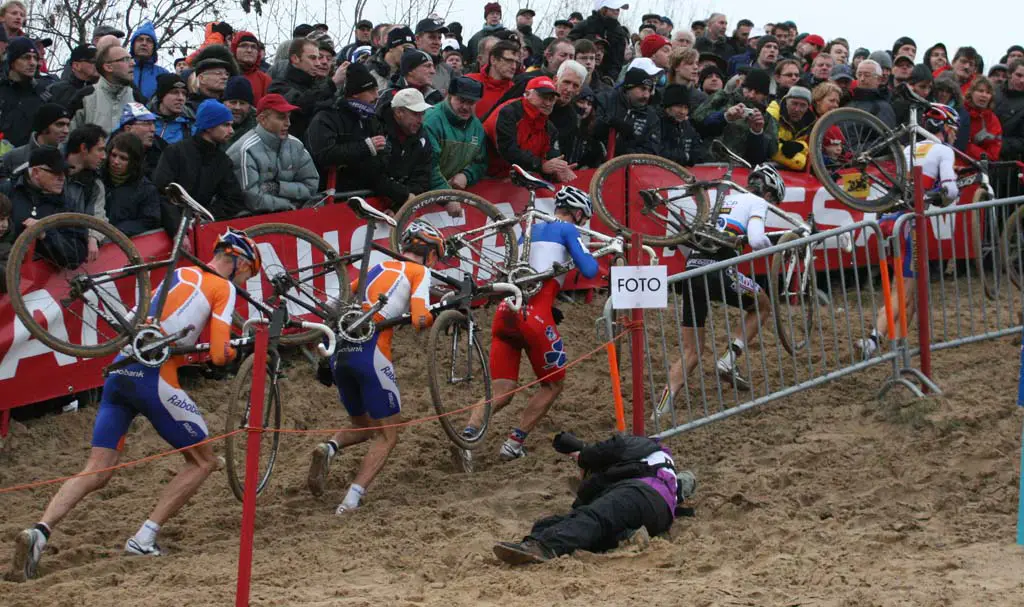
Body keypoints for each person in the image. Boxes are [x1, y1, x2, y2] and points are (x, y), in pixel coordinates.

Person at [6, 229, 260, 581]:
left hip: (121, 370)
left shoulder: (180, 272)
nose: (245, 282)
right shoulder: (223, 287)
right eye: (249, 274)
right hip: (154, 378)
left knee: (98, 469)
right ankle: (144, 538)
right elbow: (218, 355)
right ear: (240, 262)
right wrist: (235, 349)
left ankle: (40, 530)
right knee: (204, 461)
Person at [458, 188, 606, 463]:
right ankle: (513, 444)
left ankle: (467, 435)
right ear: (576, 213)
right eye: (583, 218)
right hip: (534, 317)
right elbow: (589, 270)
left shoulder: (530, 231)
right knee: (553, 385)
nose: (583, 223)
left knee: (501, 394)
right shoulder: (567, 229)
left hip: (505, 313)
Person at [306, 221, 442, 513]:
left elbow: (332, 304)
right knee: (388, 434)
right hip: (372, 352)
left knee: (364, 425)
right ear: (430, 255)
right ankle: (352, 499)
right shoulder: (420, 272)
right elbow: (420, 319)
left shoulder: (375, 269)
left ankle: (329, 447)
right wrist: (432, 313)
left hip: (341, 354)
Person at [653, 165, 782, 406]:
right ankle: (729, 359)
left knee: (692, 352)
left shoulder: (722, 199)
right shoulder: (757, 202)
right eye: (775, 201)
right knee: (762, 304)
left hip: (691, 271)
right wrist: (777, 248)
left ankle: (661, 409)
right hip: (717, 270)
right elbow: (755, 239)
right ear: (769, 194)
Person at [493, 431, 695, 564]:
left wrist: (583, 455)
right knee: (552, 525)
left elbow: (608, 450)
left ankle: (544, 547)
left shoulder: (643, 446)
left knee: (593, 519)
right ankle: (627, 537)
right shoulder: (663, 468)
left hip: (639, 494)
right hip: (659, 516)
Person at [857, 105, 961, 359]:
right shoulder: (943, 150)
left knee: (910, 290)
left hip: (890, 220)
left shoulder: (907, 148)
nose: (955, 135)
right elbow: (951, 190)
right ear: (944, 128)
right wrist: (943, 196)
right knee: (902, 290)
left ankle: (899, 344)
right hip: (910, 224)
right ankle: (872, 340)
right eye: (954, 129)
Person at [153, 99, 245, 234]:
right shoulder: (175, 153)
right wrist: (177, 229)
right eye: (225, 125)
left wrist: (205, 217)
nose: (231, 131)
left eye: (231, 125)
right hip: (167, 230)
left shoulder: (222, 161)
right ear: (209, 126)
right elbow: (162, 194)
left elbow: (233, 200)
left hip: (201, 230)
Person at [227, 93, 320, 214]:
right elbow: (253, 199)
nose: (288, 123)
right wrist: (288, 205)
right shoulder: (245, 149)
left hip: (292, 216)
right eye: (281, 117)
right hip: (253, 222)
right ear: (262, 119)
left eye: (289, 117)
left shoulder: (296, 145)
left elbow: (311, 186)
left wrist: (278, 187)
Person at [306, 63, 386, 191]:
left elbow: (382, 158)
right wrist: (365, 147)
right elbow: (324, 154)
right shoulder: (327, 116)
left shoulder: (371, 118)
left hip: (366, 192)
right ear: (355, 94)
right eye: (371, 91)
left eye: (377, 90)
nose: (377, 96)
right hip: (332, 196)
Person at [483, 76, 573, 182]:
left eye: (551, 99)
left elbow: (551, 158)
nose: (548, 103)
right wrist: (541, 165)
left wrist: (558, 170)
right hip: (488, 177)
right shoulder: (508, 113)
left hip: (517, 180)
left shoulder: (550, 129)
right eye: (543, 97)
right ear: (527, 94)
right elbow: (508, 150)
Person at [693, 68, 778, 165]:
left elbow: (764, 156)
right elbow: (697, 122)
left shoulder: (767, 119)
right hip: (709, 164)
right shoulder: (723, 99)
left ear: (765, 96)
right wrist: (725, 117)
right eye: (749, 90)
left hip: (741, 170)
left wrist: (757, 132)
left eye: (757, 93)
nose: (751, 95)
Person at [267, 38, 344, 141]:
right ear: (295, 59)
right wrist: (332, 83)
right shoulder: (279, 86)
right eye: (313, 58)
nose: (318, 63)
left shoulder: (317, 87)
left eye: (318, 58)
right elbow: (300, 104)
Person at [422, 76, 487, 191]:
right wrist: (446, 195)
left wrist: (467, 176)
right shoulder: (431, 121)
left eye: (471, 102)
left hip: (454, 193)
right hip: (426, 194)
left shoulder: (477, 127)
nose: (466, 107)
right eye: (461, 100)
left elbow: (481, 163)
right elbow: (428, 166)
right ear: (450, 96)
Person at [69, 43, 142, 135]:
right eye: (126, 60)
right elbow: (66, 140)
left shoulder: (136, 98)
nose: (133, 63)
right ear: (108, 67)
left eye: (131, 59)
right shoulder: (85, 97)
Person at [593, 65, 662, 156]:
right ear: (628, 88)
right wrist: (609, 123)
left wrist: (624, 152)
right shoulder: (605, 100)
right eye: (643, 89)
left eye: (649, 90)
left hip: (630, 166)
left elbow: (651, 151)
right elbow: (590, 128)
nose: (646, 95)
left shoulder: (651, 117)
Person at [102, 132, 161, 236]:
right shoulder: (97, 178)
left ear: (134, 161)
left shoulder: (146, 190)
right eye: (114, 155)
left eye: (123, 158)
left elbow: (149, 221)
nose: (116, 161)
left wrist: (115, 231)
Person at [0, 103, 70, 179]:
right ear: (44, 127)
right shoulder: (12, 157)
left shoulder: (68, 158)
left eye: (67, 125)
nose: (66, 131)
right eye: (60, 124)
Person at [0, 38, 49, 146]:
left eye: (35, 58)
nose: (32, 63)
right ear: (12, 61)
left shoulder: (43, 95)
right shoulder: (2, 90)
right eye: (26, 57)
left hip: (30, 159)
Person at [568, 0, 629, 84]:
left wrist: (609, 79)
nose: (617, 11)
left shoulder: (619, 33)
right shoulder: (584, 26)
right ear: (603, 9)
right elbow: (568, 49)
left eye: (618, 8)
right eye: (614, 8)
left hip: (603, 81)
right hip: (575, 75)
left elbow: (617, 62)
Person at [465, 39, 518, 119]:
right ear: (493, 60)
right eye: (509, 61)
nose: (514, 67)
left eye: (516, 62)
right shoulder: (469, 81)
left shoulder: (515, 92)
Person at [378, 48, 443, 111]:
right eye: (427, 66)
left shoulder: (435, 96)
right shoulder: (387, 97)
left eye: (433, 67)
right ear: (410, 70)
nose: (433, 71)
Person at [766, 86, 815, 170]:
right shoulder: (773, 112)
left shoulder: (808, 121)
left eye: (803, 105)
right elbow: (770, 147)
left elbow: (805, 145)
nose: (797, 109)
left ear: (808, 108)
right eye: (794, 103)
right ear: (786, 102)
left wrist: (801, 146)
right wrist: (800, 160)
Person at [659, 84, 708, 166]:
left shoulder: (687, 127)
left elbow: (699, 153)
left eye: (686, 108)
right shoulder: (657, 125)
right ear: (667, 107)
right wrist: (686, 157)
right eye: (678, 106)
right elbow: (660, 153)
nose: (683, 112)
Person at [114, 102, 162, 177]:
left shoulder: (162, 150)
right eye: (146, 124)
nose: (153, 129)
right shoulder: (110, 150)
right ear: (128, 129)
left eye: (153, 124)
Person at [44, 44, 98, 108]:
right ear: (76, 66)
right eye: (93, 61)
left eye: (101, 60)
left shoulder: (106, 89)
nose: (99, 64)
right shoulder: (55, 90)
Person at [849, 60, 896, 128]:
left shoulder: (883, 108)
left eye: (867, 75)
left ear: (879, 79)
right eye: (859, 75)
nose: (862, 79)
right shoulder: (848, 101)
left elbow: (887, 136)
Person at [964, 76, 1002, 161]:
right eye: (980, 91)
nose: (984, 95)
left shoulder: (993, 120)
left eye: (988, 92)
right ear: (971, 92)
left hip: (978, 168)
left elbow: (993, 155)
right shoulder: (960, 112)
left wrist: (968, 147)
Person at [129, 22, 169, 99]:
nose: (144, 43)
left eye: (149, 40)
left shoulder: (163, 74)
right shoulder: (122, 70)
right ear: (133, 45)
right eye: (140, 39)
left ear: (154, 47)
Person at [149, 74, 192, 145]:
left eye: (184, 93)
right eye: (175, 92)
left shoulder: (190, 127)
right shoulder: (144, 122)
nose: (181, 98)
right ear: (161, 96)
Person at [368, 26, 415, 90]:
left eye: (412, 49)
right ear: (391, 47)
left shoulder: (412, 72)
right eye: (405, 48)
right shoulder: (369, 72)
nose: (409, 53)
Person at [231, 31, 271, 103]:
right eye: (244, 46)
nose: (249, 50)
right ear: (235, 49)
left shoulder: (265, 80)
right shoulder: (225, 75)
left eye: (253, 47)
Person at [996, 60, 1024, 162]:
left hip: (1010, 163)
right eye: (1019, 75)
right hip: (981, 155)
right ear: (1009, 74)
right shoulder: (993, 92)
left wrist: (996, 143)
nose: (1022, 80)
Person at [223, 76, 257, 144]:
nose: (237, 107)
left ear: (249, 106)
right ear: (223, 103)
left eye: (242, 103)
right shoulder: (212, 125)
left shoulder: (258, 128)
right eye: (233, 102)